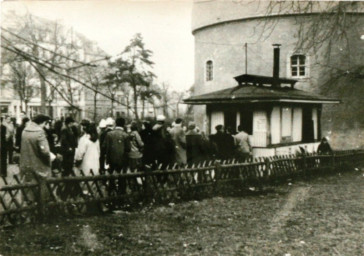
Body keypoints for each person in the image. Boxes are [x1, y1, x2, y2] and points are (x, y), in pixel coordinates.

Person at [19, 114, 52, 203]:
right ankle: (41, 213)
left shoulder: (25, 131)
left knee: (28, 191)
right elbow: (45, 151)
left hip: (26, 164)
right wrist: (51, 157)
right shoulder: (40, 133)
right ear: (43, 123)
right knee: (41, 192)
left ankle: (27, 212)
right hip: (39, 166)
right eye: (45, 124)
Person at [103, 117, 130, 195]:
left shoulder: (109, 134)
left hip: (111, 159)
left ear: (116, 124)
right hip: (122, 160)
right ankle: (121, 194)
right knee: (122, 178)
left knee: (111, 177)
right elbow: (128, 149)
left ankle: (111, 193)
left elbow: (104, 146)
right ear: (123, 124)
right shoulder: (126, 135)